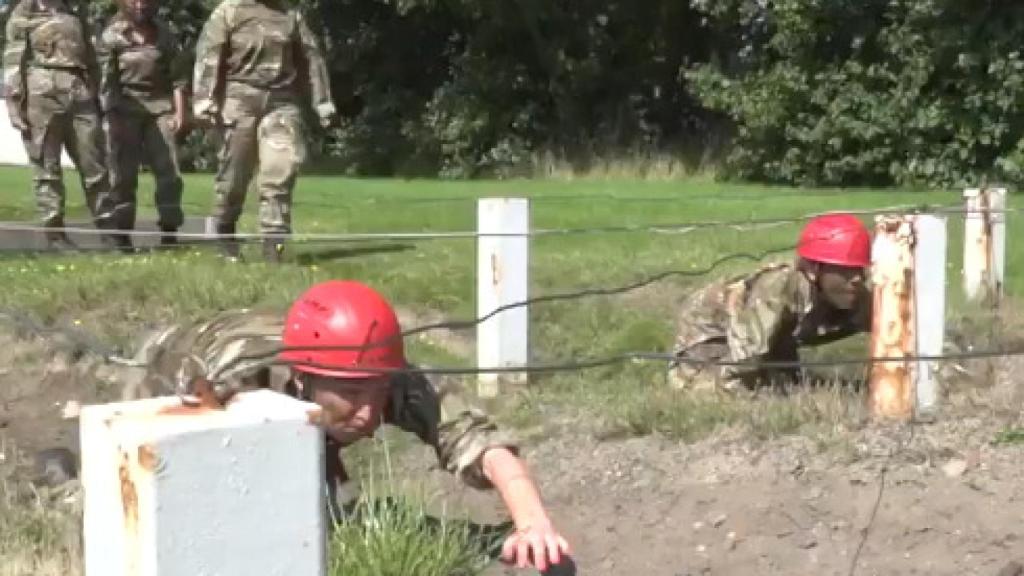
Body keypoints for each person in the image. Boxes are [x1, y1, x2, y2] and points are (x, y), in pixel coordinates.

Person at [132, 280, 571, 572]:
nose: (369, 411)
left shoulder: (383, 371)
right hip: (169, 367)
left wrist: (532, 522)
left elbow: (479, 440)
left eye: (378, 391)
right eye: (353, 394)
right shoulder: (236, 387)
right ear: (304, 378)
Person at [191, 0, 337, 262]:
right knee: (234, 176)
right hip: (238, 99)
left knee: (280, 170)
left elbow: (311, 59)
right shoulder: (229, 11)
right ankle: (224, 231)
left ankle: (274, 245)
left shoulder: (290, 15)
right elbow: (209, 55)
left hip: (281, 101)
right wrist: (205, 99)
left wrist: (322, 103)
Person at [670, 213, 873, 392]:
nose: (856, 279)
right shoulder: (777, 288)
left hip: (765, 339)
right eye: (845, 271)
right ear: (814, 269)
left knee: (788, 383)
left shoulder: (848, 292)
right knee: (746, 390)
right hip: (712, 338)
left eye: (860, 270)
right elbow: (746, 358)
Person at [2, 0, 121, 251]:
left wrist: (98, 95)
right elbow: (13, 61)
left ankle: (110, 231)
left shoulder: (75, 12)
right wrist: (13, 105)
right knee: (47, 169)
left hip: (79, 91)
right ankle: (55, 235)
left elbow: (91, 58)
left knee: (95, 166)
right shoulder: (24, 13)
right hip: (40, 95)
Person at [96, 0, 190, 249]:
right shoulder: (112, 35)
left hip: (160, 108)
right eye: (134, 1)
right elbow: (107, 82)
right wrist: (110, 116)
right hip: (125, 108)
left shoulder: (165, 34)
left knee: (169, 172)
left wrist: (180, 114)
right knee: (123, 174)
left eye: (146, 1)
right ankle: (122, 235)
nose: (140, 6)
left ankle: (170, 233)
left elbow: (178, 78)